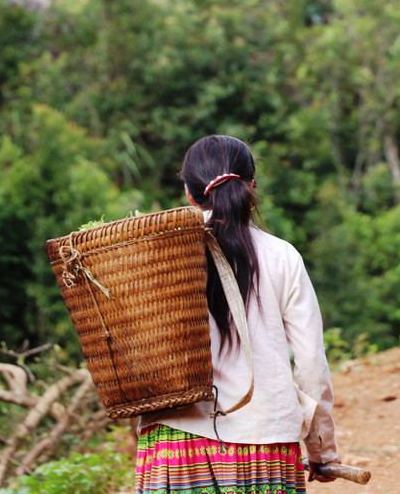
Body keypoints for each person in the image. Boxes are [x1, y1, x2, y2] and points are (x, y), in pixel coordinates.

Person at [135, 134, 341, 494]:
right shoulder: (282, 257)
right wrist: (321, 450)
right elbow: (310, 361)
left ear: (189, 192)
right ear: (251, 185)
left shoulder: (157, 256)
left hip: (176, 443)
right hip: (264, 440)